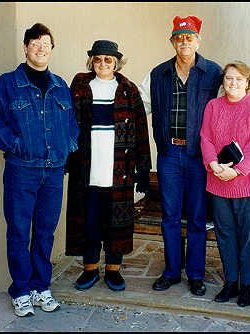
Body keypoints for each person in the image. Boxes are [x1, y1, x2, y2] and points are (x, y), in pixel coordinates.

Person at [0, 23, 80, 317]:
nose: (40, 48)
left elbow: (72, 124)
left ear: (52, 49)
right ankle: (21, 291)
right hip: (21, 171)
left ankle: (41, 287)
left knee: (46, 233)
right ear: (25, 48)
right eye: (34, 43)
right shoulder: (6, 84)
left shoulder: (61, 86)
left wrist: (67, 146)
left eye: (46, 43)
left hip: (52, 172)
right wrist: (15, 143)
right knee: (19, 232)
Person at [138, 16, 222, 295]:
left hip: (200, 154)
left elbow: (229, 107)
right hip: (169, 153)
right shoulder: (158, 74)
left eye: (189, 37)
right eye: (179, 37)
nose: (184, 42)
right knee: (170, 215)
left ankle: (196, 274)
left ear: (198, 40)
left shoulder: (213, 73)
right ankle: (172, 271)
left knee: (198, 217)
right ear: (172, 41)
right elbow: (138, 106)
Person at [65, 40, 151, 292]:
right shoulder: (80, 86)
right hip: (87, 169)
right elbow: (68, 124)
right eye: (98, 58)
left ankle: (113, 271)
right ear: (92, 61)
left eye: (108, 59)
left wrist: (143, 169)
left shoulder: (128, 89)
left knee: (117, 224)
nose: (103, 63)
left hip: (120, 171)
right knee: (89, 222)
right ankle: (89, 269)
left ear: (117, 63)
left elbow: (141, 131)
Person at [200, 61, 250, 307]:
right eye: (229, 78)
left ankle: (247, 286)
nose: (233, 83)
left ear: (248, 82)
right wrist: (212, 164)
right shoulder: (212, 106)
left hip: (249, 183)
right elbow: (206, 137)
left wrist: (238, 171)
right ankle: (230, 282)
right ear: (223, 82)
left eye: (239, 79)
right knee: (225, 234)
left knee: (248, 237)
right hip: (218, 181)